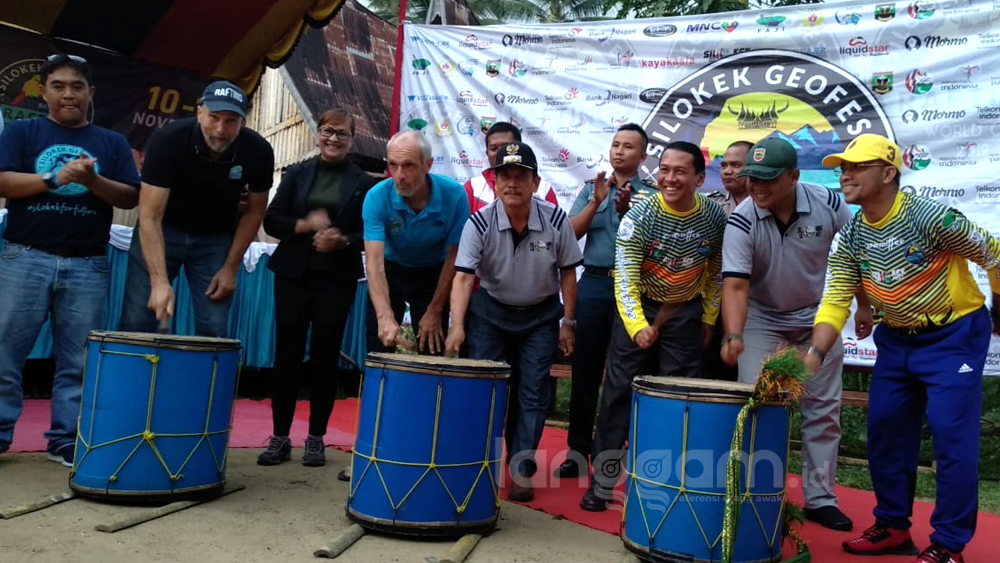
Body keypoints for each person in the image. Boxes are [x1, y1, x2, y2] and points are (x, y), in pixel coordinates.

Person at [808, 134, 1000, 563]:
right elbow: (837, 296)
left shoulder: (931, 218)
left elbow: (993, 252)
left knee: (953, 440)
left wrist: (999, 304)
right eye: (843, 167)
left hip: (954, 338)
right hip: (895, 338)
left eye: (857, 166)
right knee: (886, 434)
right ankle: (893, 526)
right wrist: (814, 355)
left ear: (888, 172)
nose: (846, 174)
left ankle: (949, 545)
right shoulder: (853, 234)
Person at [0, 54, 140, 467]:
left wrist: (93, 180)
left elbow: (131, 196)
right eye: (58, 85)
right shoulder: (24, 132)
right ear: (42, 92)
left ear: (90, 94)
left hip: (88, 264)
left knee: (78, 360)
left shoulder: (112, 143)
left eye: (77, 86)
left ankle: (65, 438)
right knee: (5, 353)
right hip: (24, 256)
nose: (68, 94)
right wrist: (54, 178)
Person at [718, 137, 862, 531]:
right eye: (753, 179)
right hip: (762, 320)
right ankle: (762, 496)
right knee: (758, 407)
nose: (758, 187)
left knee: (822, 411)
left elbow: (855, 254)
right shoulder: (742, 219)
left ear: (794, 176)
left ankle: (820, 499)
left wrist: (864, 305)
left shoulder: (829, 205)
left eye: (769, 179)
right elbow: (734, 284)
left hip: (817, 317)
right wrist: (733, 335)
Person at [581, 141, 727, 511]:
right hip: (640, 306)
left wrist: (709, 317)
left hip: (686, 313)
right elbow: (625, 276)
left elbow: (715, 271)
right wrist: (636, 325)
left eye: (680, 171)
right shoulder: (640, 216)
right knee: (617, 396)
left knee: (677, 398)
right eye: (664, 170)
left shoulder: (714, 218)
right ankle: (602, 482)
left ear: (698, 177)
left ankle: (664, 482)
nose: (670, 178)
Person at [445, 141, 582, 502]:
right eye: (503, 176)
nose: (511, 183)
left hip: (539, 317)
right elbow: (462, 277)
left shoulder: (555, 220)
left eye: (521, 176)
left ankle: (521, 468)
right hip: (490, 314)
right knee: (485, 390)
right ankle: (479, 462)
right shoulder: (479, 222)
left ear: (535, 183)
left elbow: (568, 272)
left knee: (534, 394)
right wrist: (457, 325)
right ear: (494, 182)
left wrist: (569, 323)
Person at [256, 108, 376, 468]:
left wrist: (342, 240)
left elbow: (369, 233)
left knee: (325, 359)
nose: (333, 139)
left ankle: (316, 439)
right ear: (317, 134)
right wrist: (305, 225)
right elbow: (272, 220)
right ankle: (279, 437)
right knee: (287, 356)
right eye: (327, 131)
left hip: (335, 280)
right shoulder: (296, 174)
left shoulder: (364, 182)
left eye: (341, 133)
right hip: (292, 275)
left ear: (352, 139)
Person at [118, 81, 275, 337]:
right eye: (214, 117)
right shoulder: (168, 140)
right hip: (164, 229)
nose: (221, 129)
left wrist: (230, 268)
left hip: (217, 236)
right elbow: (149, 215)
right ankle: (132, 377)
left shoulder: (258, 150)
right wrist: (158, 282)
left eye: (231, 120)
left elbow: (256, 211)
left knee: (214, 324)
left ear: (244, 121)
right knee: (138, 318)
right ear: (199, 112)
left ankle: (206, 377)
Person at [555, 123, 659, 480]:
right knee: (585, 370)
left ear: (643, 156)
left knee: (628, 373)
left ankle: (615, 450)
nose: (619, 151)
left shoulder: (654, 195)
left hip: (635, 291)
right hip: (595, 285)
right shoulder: (591, 189)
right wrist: (598, 202)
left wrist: (630, 211)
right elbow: (569, 235)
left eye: (629, 147)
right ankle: (576, 450)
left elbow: (656, 246)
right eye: (615, 144)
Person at [362, 131, 469, 355]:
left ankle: (430, 390)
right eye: (393, 165)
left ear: (427, 165)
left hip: (433, 273)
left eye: (408, 166)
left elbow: (454, 257)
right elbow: (374, 262)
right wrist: (384, 316)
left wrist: (436, 310)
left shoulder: (455, 196)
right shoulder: (376, 197)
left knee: (432, 344)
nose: (399, 175)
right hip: (390, 271)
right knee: (379, 345)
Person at [701, 140, 753, 382]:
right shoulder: (711, 206)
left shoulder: (770, 206)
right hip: (717, 306)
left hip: (758, 308)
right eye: (724, 165)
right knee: (715, 377)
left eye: (736, 165)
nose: (727, 171)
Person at [464, 122, 559, 213]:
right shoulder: (473, 188)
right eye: (493, 148)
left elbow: (555, 226)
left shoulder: (543, 189)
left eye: (506, 147)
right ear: (487, 153)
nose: (499, 153)